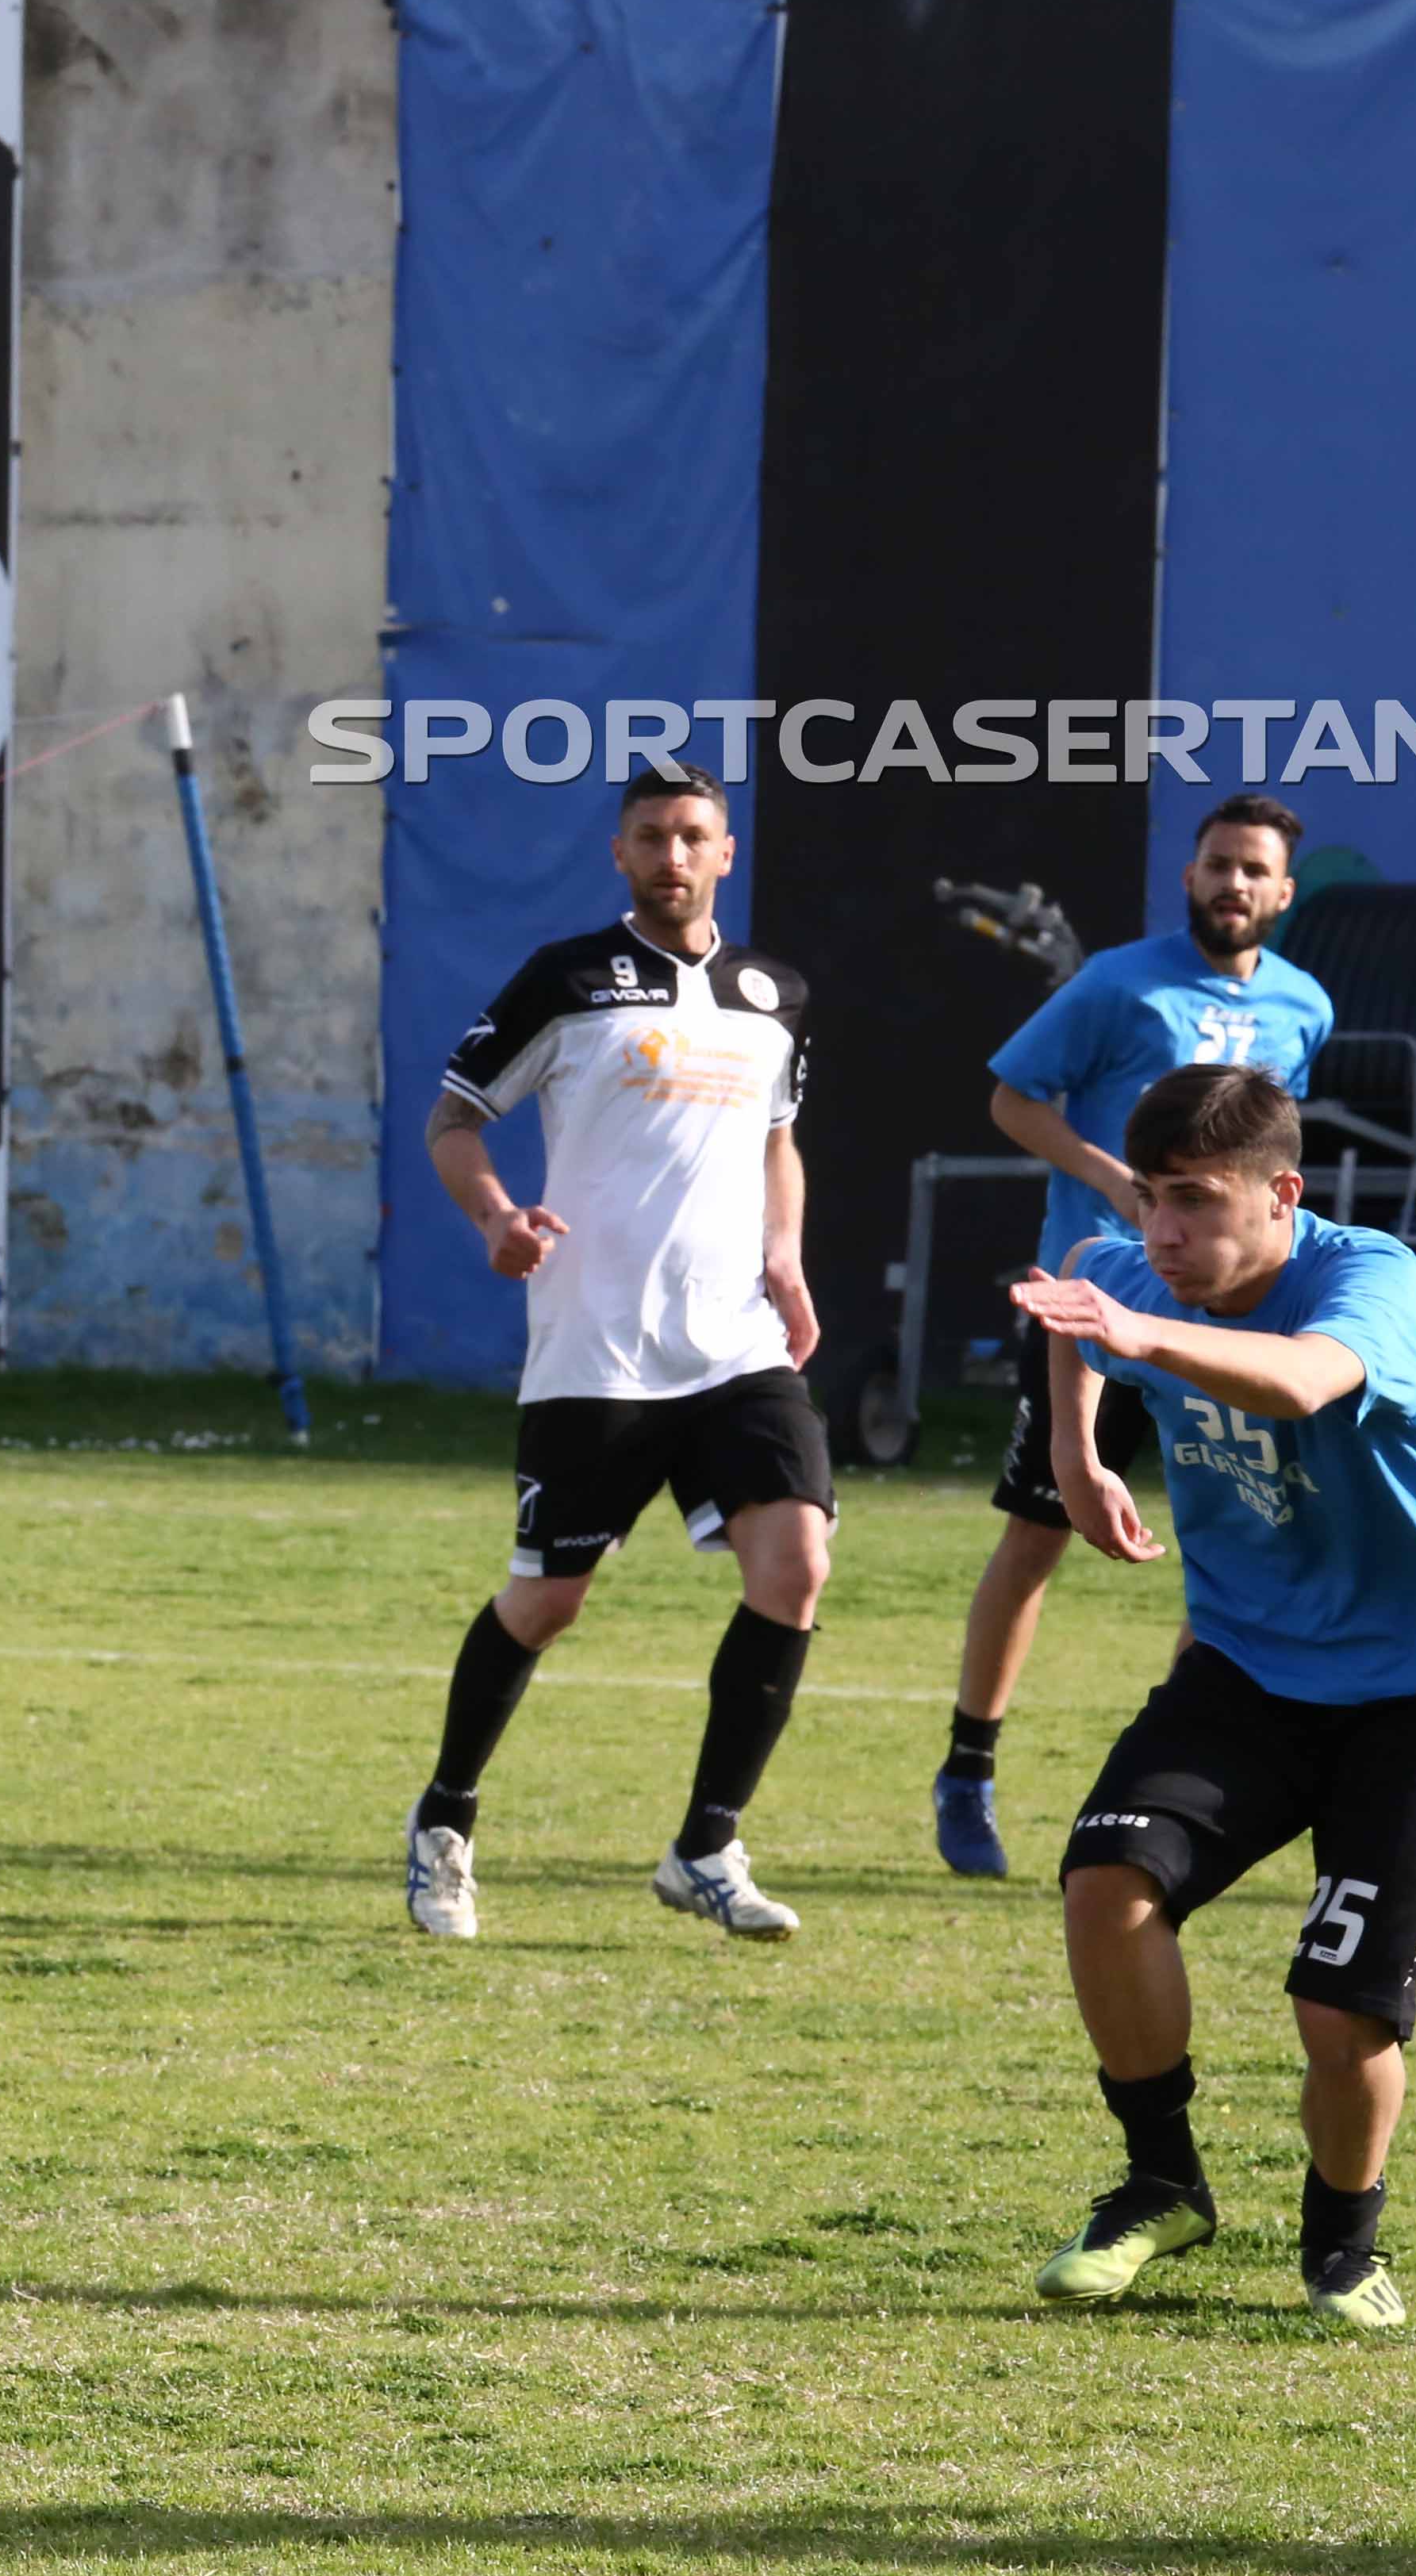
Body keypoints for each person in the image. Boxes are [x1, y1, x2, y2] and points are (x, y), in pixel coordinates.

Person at [1014, 1064, 1416, 2330]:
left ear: (1281, 1194)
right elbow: (1082, 1284)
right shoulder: (1139, 1267)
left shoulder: (1375, 1285)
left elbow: (1304, 1382)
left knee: (1338, 1998)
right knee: (1107, 1885)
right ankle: (1160, 2182)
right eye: (1152, 1200)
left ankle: (1343, 2249)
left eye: (1193, 1202)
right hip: (1251, 1666)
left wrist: (1135, 1336)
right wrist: (1079, 1458)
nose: (1164, 1233)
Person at [408, 761, 827, 1944]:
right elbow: (455, 1118)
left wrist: (785, 1256)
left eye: (693, 835)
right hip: (595, 1349)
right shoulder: (568, 981)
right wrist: (498, 1218)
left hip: (737, 1346)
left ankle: (707, 1845)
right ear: (620, 854)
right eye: (650, 836)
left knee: (794, 1569)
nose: (672, 855)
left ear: (726, 852)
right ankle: (445, 1819)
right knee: (548, 1602)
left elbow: (779, 1140)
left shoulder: (773, 992)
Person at [931, 795, 1329, 1877]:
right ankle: (969, 1768)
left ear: (1284, 891)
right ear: (1188, 877)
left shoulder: (1304, 1006)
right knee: (1041, 1530)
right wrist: (1116, 1181)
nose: (1233, 884)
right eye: (1216, 865)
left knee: (1238, 1541)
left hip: (1228, 1322)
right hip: (1096, 1307)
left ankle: (1207, 1766)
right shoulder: (1118, 982)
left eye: (1254, 869)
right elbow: (1013, 1098)